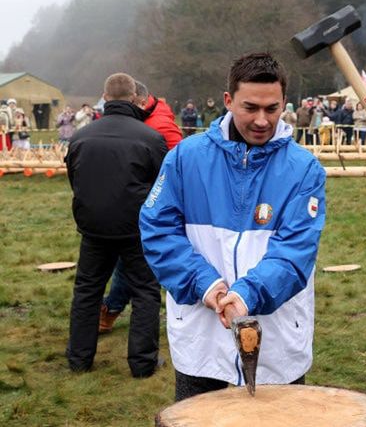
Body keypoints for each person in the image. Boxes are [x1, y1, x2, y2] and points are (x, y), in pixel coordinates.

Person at [139, 53, 326, 401]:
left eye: (272, 109)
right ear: (228, 101)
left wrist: (245, 295)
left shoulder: (304, 169)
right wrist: (205, 284)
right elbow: (158, 229)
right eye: (249, 107)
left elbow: (295, 251)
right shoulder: (185, 158)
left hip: (277, 335)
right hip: (202, 333)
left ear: (284, 102)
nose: (261, 120)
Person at [64, 73, 166, 377]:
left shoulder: (80, 137)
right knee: (146, 292)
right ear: (135, 98)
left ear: (104, 98)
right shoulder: (150, 138)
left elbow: (75, 179)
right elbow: (163, 184)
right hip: (136, 228)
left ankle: (79, 359)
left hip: (93, 226)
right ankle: (142, 363)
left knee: (87, 290)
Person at [99, 80, 183, 333]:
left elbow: (177, 167)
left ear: (140, 100)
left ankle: (111, 310)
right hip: (138, 205)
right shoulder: (148, 121)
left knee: (135, 265)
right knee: (131, 263)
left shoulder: (158, 126)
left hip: (153, 208)